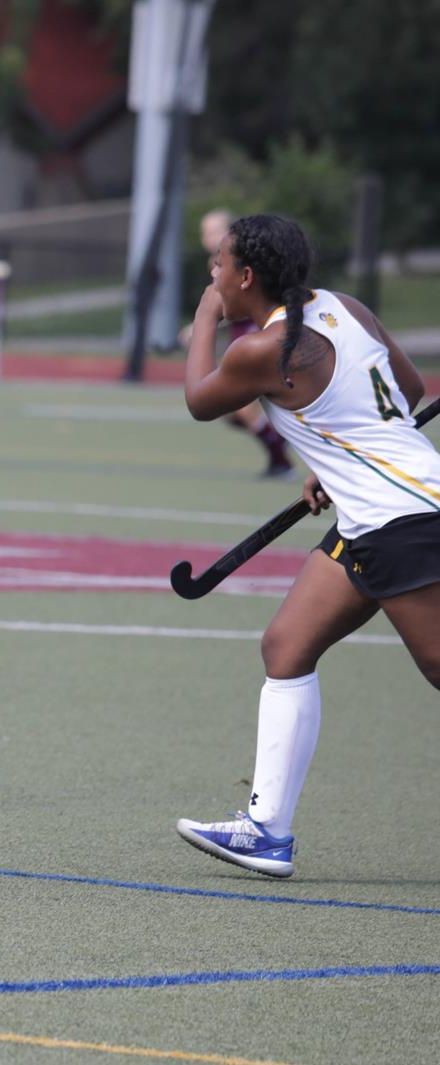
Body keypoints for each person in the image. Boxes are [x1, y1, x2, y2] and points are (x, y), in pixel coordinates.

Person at [176, 213, 440, 878]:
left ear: (246, 277)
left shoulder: (260, 349)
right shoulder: (345, 308)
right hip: (379, 507)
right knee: (286, 645)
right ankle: (266, 831)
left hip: (400, 518)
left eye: (219, 267)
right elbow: (407, 395)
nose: (213, 275)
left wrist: (205, 314)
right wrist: (334, 452)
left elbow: (200, 400)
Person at [179, 209, 293, 477]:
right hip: (240, 335)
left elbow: (238, 305)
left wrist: (201, 326)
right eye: (204, 231)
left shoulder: (237, 264)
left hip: (252, 334)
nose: (206, 237)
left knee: (238, 404)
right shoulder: (217, 263)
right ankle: (277, 440)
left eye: (213, 231)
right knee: (233, 412)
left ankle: (280, 457)